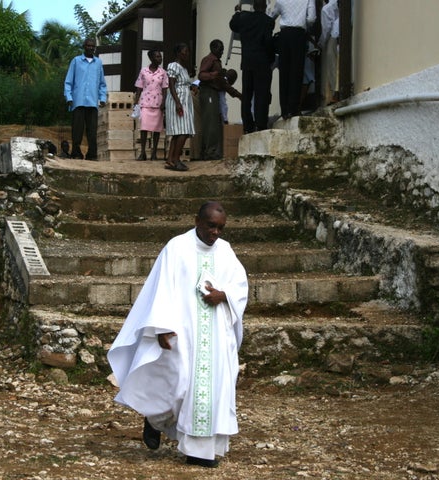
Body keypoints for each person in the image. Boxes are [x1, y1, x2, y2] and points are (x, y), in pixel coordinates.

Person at [108, 201, 249, 469]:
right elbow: (161, 287)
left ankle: (200, 452)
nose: (215, 233)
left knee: (210, 390)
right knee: (178, 384)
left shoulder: (226, 251)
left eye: (220, 228)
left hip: (217, 334)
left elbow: (239, 285)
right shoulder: (177, 248)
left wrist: (225, 295)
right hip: (182, 330)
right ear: (197, 221)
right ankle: (154, 419)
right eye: (210, 226)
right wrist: (161, 327)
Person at [229, 0, 275, 134]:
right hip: (262, 62)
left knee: (247, 95)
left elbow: (233, 25)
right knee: (262, 95)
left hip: (247, 62)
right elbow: (268, 42)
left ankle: (248, 126)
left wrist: (237, 12)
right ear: (265, 7)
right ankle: (261, 124)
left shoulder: (244, 18)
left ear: (253, 6)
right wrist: (271, 58)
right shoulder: (268, 21)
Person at [268, 0, 316, 120]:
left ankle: (284, 110)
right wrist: (305, 26)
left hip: (284, 35)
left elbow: (271, 17)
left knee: (284, 72)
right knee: (297, 71)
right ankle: (292, 109)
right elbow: (311, 19)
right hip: (299, 35)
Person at [64, 38, 108, 160]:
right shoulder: (76, 61)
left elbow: (102, 83)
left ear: (95, 48)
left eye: (93, 46)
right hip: (78, 101)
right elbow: (68, 81)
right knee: (77, 129)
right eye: (88, 46)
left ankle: (92, 154)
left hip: (92, 102)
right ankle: (76, 153)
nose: (90, 48)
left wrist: (102, 97)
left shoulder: (98, 63)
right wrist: (69, 97)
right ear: (84, 47)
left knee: (92, 130)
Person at [197, 39, 241, 160]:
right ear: (213, 48)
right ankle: (209, 152)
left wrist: (237, 94)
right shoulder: (209, 59)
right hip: (209, 92)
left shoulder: (217, 61)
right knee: (210, 124)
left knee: (213, 124)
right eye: (220, 49)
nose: (222, 51)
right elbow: (201, 75)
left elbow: (223, 84)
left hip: (213, 93)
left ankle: (209, 151)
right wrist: (215, 74)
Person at [164, 43, 196, 172]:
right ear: (178, 53)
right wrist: (177, 103)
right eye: (185, 52)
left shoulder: (184, 69)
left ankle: (171, 159)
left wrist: (194, 85)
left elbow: (186, 84)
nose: (187, 54)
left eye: (188, 52)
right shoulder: (173, 66)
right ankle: (176, 160)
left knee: (179, 131)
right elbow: (171, 85)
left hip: (185, 99)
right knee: (183, 130)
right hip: (178, 99)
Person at [134, 50, 169, 161]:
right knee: (144, 128)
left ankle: (154, 153)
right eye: (158, 57)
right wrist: (136, 102)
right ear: (151, 58)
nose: (160, 59)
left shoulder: (163, 72)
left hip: (158, 104)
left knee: (156, 130)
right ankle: (143, 153)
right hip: (145, 103)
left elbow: (165, 89)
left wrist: (164, 102)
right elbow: (139, 87)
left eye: (160, 56)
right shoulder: (143, 71)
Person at [319, 0, 340, 105]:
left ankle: (335, 94)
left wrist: (320, 44)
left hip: (334, 36)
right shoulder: (337, 3)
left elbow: (326, 30)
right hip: (343, 35)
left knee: (332, 66)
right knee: (338, 66)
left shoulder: (326, 9)